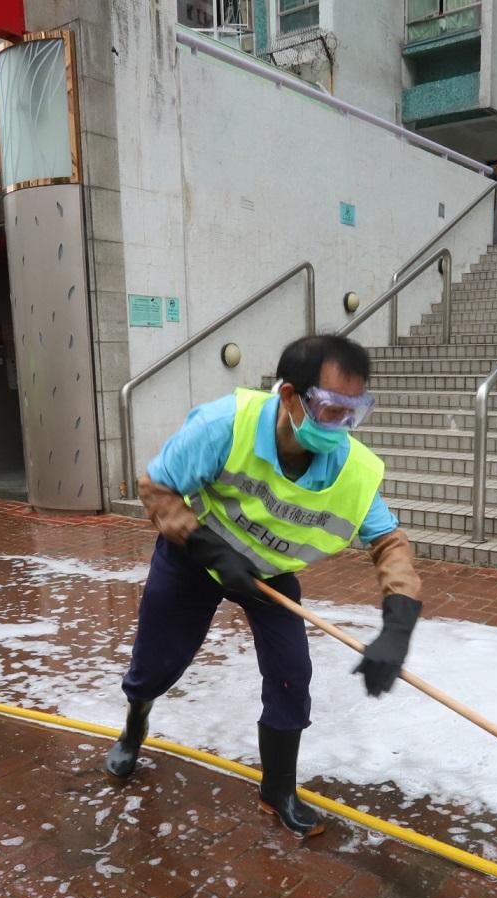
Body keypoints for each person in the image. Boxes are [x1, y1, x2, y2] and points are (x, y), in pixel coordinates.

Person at [104, 334, 423, 838]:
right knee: (157, 662)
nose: (342, 425)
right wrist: (208, 548)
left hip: (269, 576)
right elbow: (155, 487)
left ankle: (278, 790)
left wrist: (398, 624)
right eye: (331, 408)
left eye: (353, 412)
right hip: (195, 558)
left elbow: (389, 542)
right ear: (291, 396)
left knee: (292, 673)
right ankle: (135, 721)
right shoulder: (224, 426)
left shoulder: (352, 469)